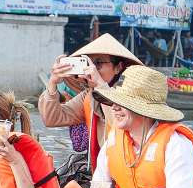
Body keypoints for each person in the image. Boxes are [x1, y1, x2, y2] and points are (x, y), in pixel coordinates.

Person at [56, 65, 193, 188]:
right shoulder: (113, 141)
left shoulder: (176, 143)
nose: (114, 108)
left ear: (145, 110)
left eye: (123, 103)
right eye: (114, 102)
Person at [38, 33, 142, 172]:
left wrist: (100, 85)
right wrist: (52, 83)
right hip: (102, 171)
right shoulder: (88, 97)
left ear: (118, 67)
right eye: (88, 64)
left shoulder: (132, 96)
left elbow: (118, 127)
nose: (92, 69)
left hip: (131, 169)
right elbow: (52, 119)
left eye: (98, 64)